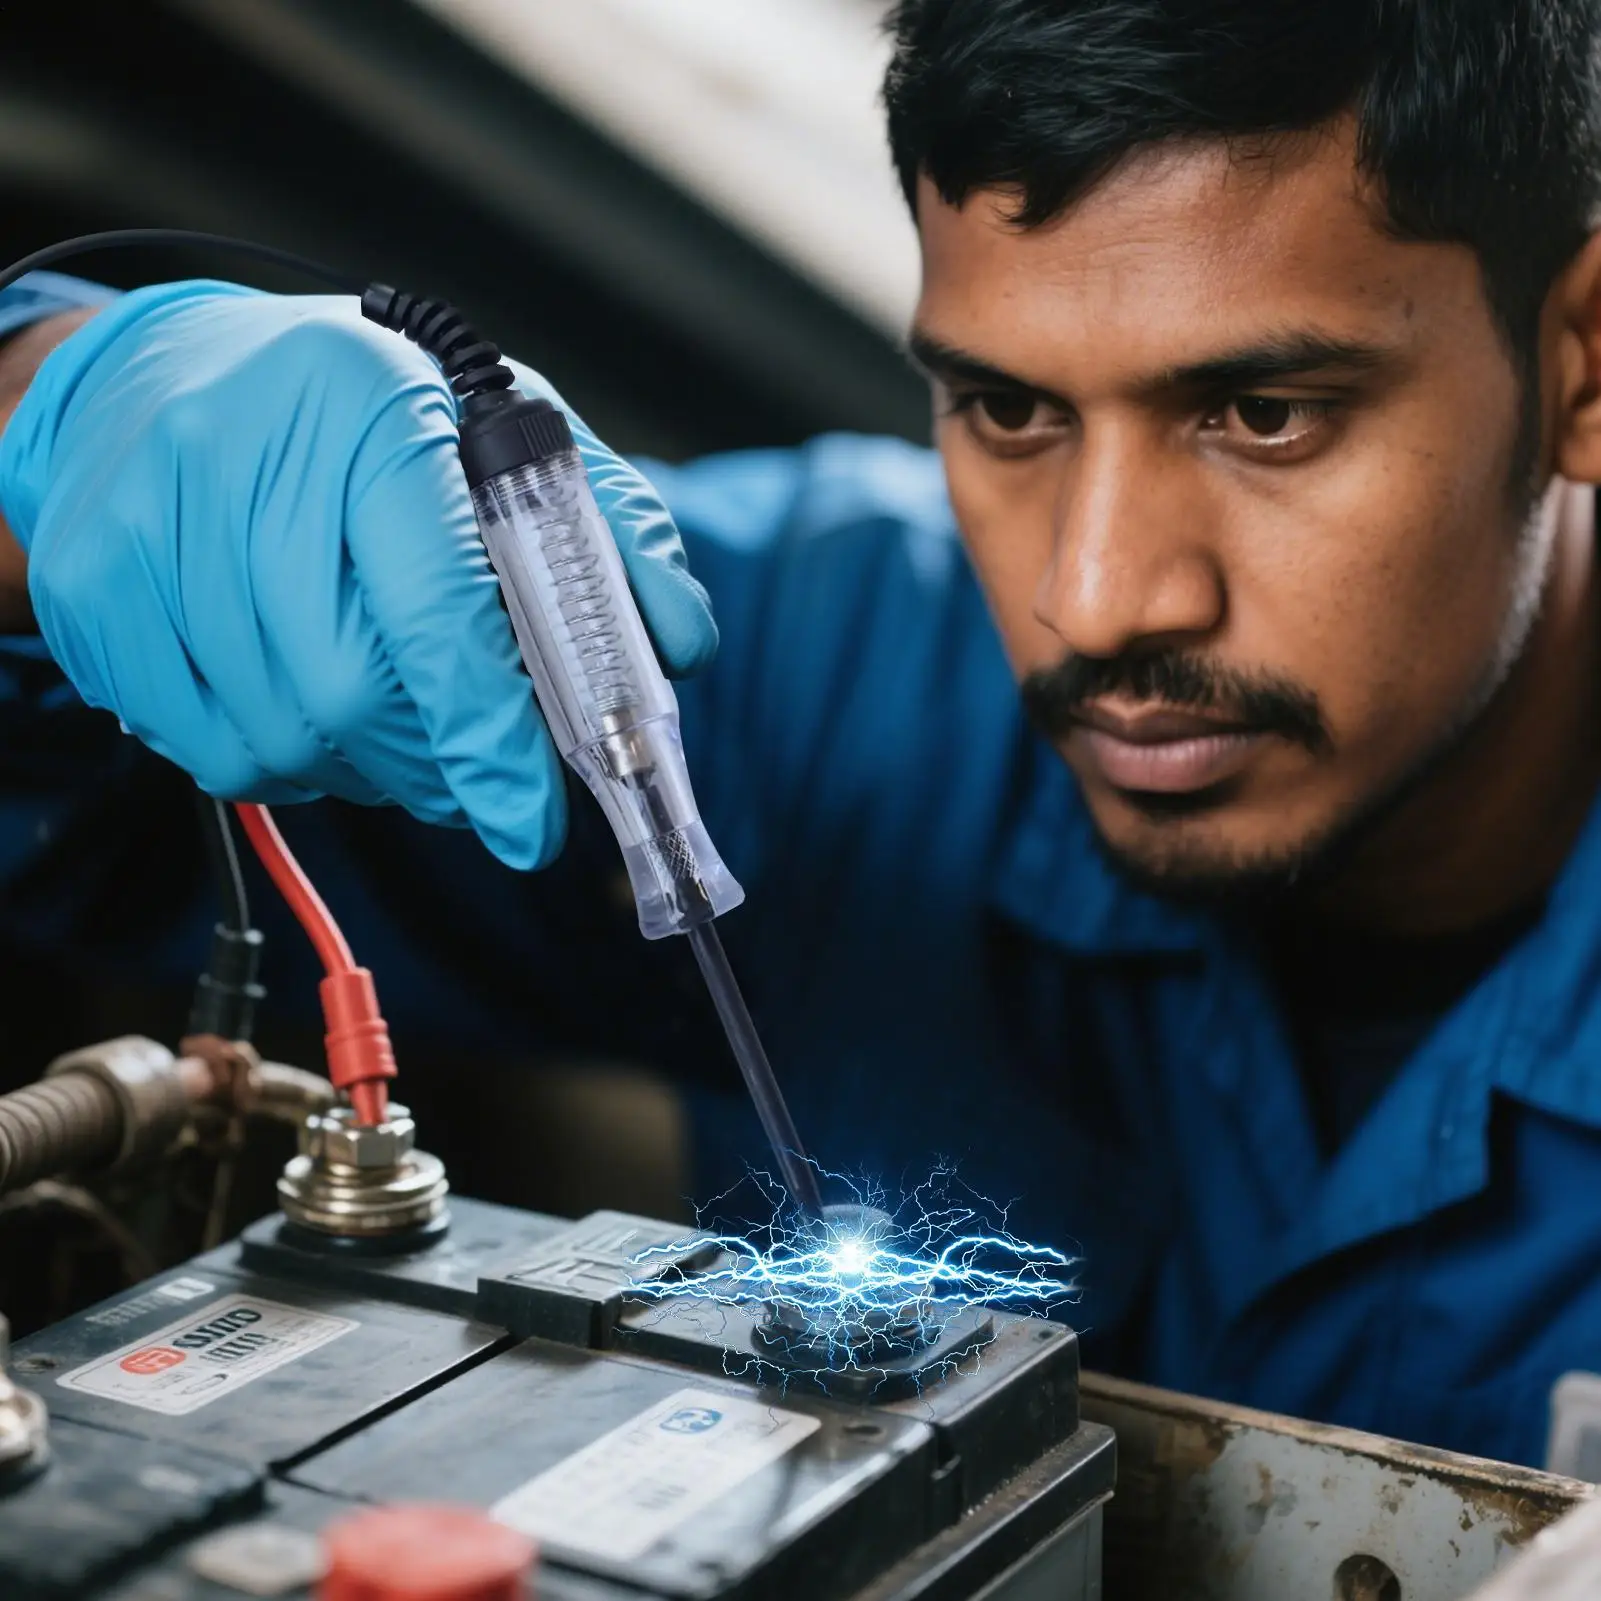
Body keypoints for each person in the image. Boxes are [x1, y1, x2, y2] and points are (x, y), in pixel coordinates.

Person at [0, 0, 1597, 1467]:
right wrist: (58, 414)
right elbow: (79, 792)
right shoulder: (826, 667)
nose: (1097, 599)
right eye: (1010, 411)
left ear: (1579, 358)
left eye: (1265, 415)